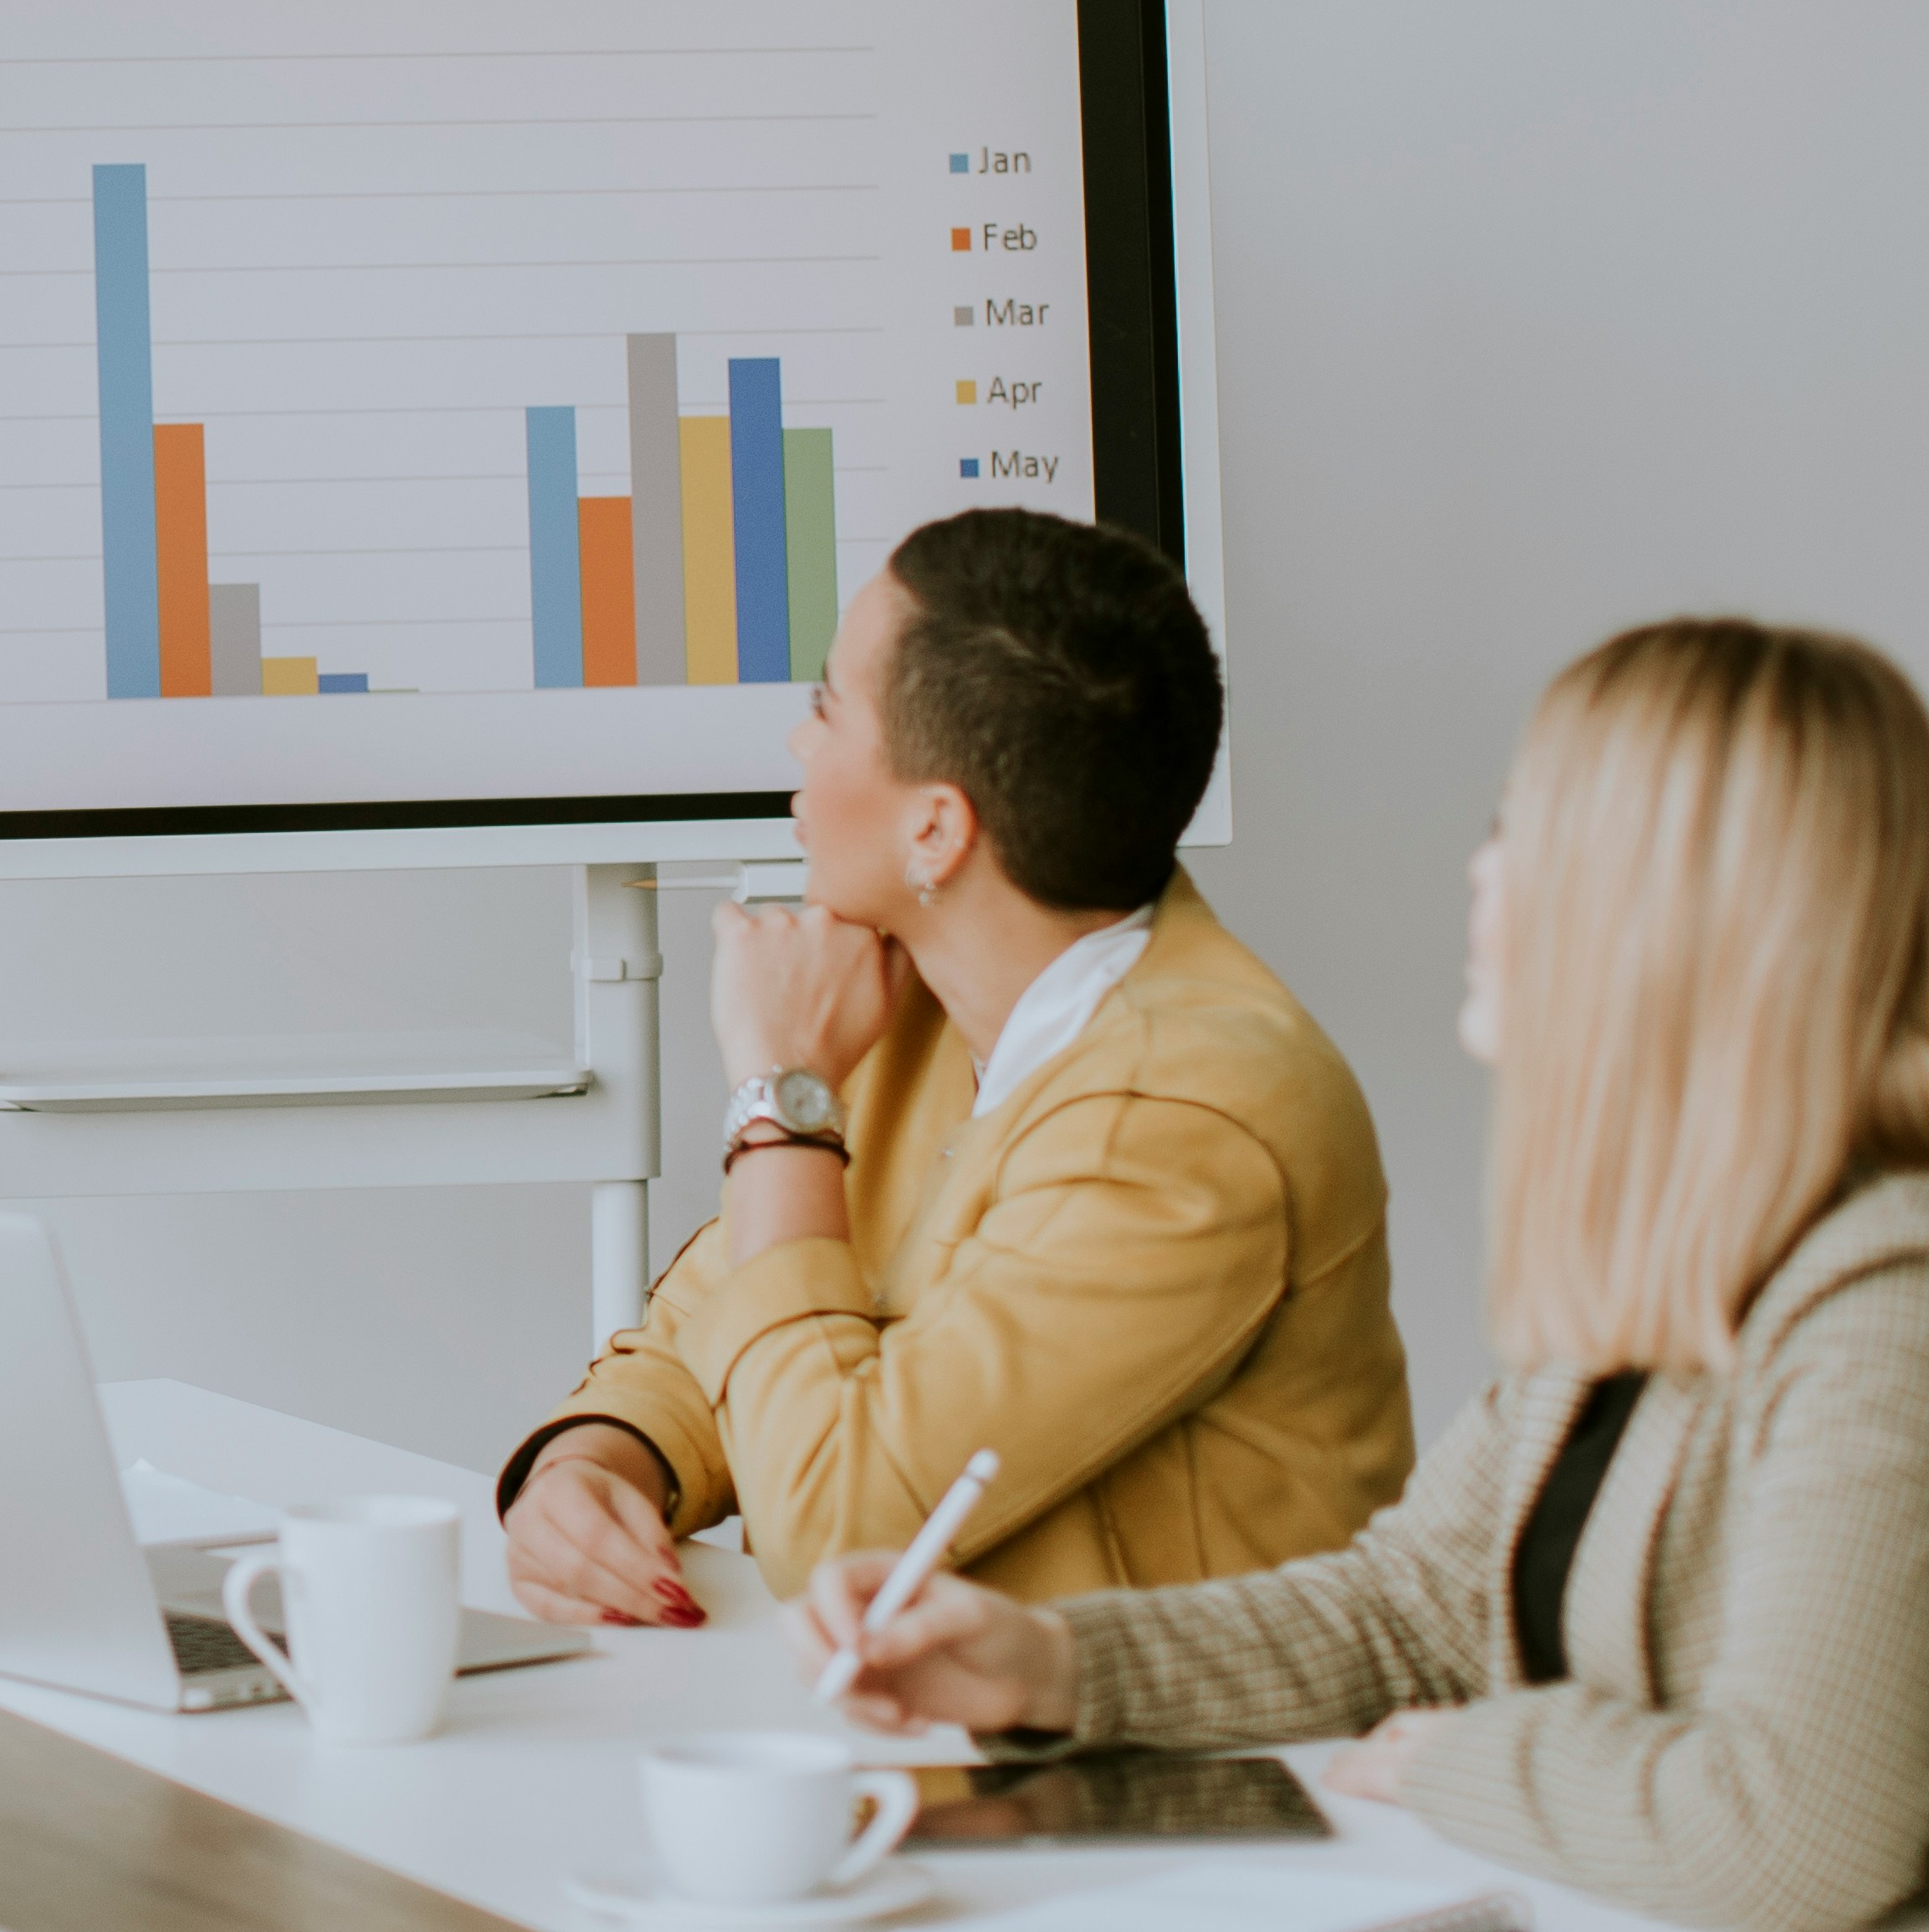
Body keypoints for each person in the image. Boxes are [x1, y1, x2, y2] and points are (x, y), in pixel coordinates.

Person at [794, 620, 1929, 1932]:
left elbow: (1788, 1835)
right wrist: (1045, 1666)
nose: (1478, 876)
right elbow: (1412, 1611)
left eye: (1520, 833)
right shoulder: (1672, 1266)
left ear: (1659, 915)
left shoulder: (1912, 1296)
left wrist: (1466, 1754)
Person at [499, 509, 1416, 1627]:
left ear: (936, 830)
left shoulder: (1188, 1116)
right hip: (936, 1728)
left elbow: (835, 1525)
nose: (798, 744)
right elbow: (724, 1316)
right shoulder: (915, 993)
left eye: (828, 705)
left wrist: (781, 1102)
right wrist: (601, 1458)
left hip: (1164, 1780)